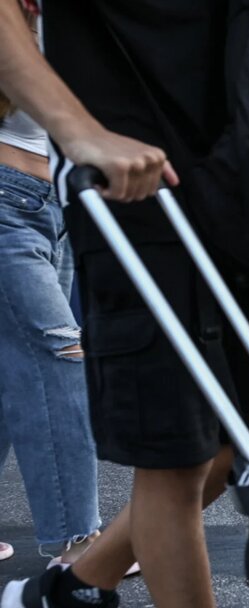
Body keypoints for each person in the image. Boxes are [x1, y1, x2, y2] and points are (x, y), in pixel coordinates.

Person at [0, 2, 249, 608]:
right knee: (144, 428)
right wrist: (77, 129)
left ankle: (74, 590)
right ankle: (75, 553)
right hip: (113, 190)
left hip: (226, 186)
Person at [0, 1, 102, 572]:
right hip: (4, 200)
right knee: (57, 355)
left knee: (7, 377)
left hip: (54, 208)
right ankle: (79, 544)